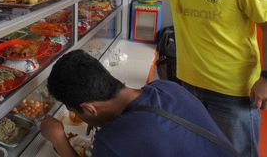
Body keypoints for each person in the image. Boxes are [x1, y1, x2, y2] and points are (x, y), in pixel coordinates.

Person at [89, 0, 267, 156]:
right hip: (188, 89)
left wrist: (265, 77)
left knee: (237, 151)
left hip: (231, 92)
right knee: (196, 149)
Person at [41, 50, 235, 157]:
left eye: (76, 111)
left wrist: (59, 139)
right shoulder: (167, 88)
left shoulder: (112, 142)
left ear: (89, 108)